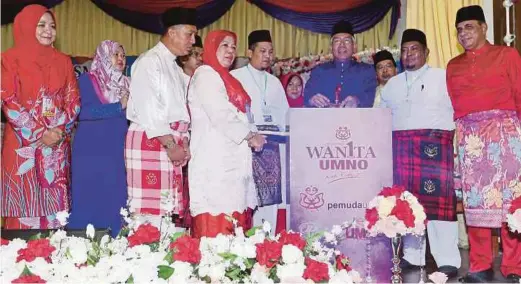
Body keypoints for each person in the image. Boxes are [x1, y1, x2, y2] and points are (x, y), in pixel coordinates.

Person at [447, 5, 521, 283]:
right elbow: (456, 106)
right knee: (475, 204)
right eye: (459, 29)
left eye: (469, 27)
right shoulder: (454, 66)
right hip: (471, 142)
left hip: (506, 138)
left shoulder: (507, 54)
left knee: (510, 203)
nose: (463, 33)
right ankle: (479, 264)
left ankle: (514, 265)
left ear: (484, 28)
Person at [380, 29, 461, 278]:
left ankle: (448, 259)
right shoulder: (391, 85)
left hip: (435, 150)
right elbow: (380, 117)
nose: (408, 54)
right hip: (402, 150)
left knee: (439, 210)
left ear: (426, 52)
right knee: (407, 205)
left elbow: (458, 109)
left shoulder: (443, 77)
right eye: (404, 50)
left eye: (414, 49)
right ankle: (412, 257)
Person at [1, 5, 80, 229]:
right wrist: (39, 133)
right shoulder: (9, 60)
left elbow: (73, 101)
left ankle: (53, 260)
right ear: (26, 27)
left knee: (54, 214)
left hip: (56, 147)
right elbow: (9, 101)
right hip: (21, 144)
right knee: (25, 208)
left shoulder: (63, 61)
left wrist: (57, 131)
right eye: (41, 25)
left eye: (52, 26)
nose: (49, 30)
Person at [188, 30, 267, 238]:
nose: (230, 51)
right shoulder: (205, 75)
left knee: (235, 222)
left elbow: (243, 116)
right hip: (214, 161)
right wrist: (251, 136)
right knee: (216, 227)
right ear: (212, 47)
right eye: (224, 45)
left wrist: (253, 133)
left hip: (233, 160)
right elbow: (221, 114)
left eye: (233, 47)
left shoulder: (228, 79)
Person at [125, 7, 196, 233]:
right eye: (189, 34)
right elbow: (150, 110)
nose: (193, 41)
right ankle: (142, 261)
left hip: (169, 141)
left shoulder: (174, 66)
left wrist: (183, 141)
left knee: (165, 212)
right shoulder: (150, 62)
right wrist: (171, 144)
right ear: (172, 32)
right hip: (152, 140)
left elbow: (180, 110)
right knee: (147, 215)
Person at [67, 40, 129, 237]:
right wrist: (118, 106)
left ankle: (116, 242)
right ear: (103, 56)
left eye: (123, 55)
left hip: (117, 149)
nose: (120, 59)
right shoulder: (87, 80)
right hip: (90, 151)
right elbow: (82, 112)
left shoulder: (128, 83)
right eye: (115, 54)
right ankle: (81, 246)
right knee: (89, 196)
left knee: (115, 195)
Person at [304, 20, 376, 108]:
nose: (342, 45)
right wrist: (312, 100)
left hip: (358, 120)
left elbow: (371, 94)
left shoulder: (366, 71)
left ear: (354, 47)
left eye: (347, 41)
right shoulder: (319, 71)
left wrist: (358, 100)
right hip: (324, 120)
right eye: (337, 41)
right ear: (331, 47)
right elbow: (307, 94)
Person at [231, 30, 289, 131]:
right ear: (250, 53)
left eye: (270, 52)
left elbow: (285, 114)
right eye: (263, 51)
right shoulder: (235, 77)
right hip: (248, 139)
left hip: (275, 138)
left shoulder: (275, 81)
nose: (267, 55)